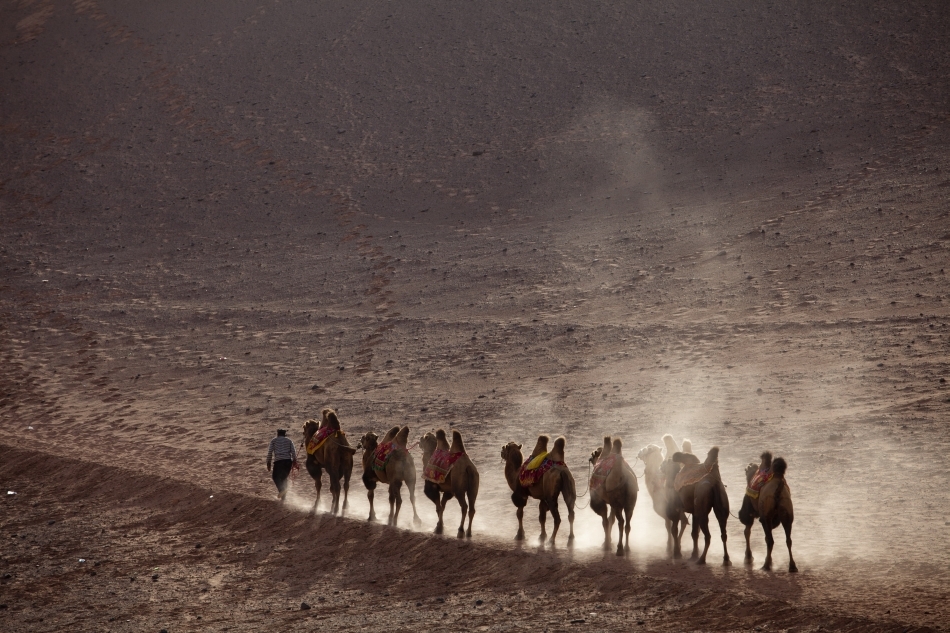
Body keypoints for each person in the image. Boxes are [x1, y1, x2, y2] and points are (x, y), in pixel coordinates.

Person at [266, 428, 297, 501]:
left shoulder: (274, 441)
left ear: (277, 434)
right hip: (288, 461)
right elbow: (293, 452)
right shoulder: (289, 441)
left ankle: (281, 490)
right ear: (285, 434)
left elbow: (270, 452)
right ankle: (284, 498)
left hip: (278, 462)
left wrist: (268, 462)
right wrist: (295, 461)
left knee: (275, 477)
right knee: (284, 478)